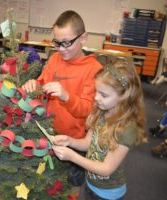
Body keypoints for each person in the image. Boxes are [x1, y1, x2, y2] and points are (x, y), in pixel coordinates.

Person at [52, 60, 147, 200]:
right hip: (89, 182)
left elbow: (106, 169)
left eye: (104, 95)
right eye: (97, 91)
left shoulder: (126, 129)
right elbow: (87, 143)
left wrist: (72, 156)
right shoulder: (101, 111)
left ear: (124, 96)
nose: (96, 98)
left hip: (108, 194)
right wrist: (70, 141)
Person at [22, 10, 102, 139]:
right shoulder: (55, 59)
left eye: (66, 43)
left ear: (83, 38)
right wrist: (33, 85)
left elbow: (88, 109)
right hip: (48, 130)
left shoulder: (94, 69)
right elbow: (42, 85)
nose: (61, 49)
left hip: (73, 140)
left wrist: (66, 96)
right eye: (57, 43)